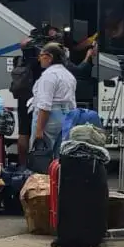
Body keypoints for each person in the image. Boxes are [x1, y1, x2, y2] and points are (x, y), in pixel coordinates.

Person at [11, 24, 59, 164]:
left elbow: (23, 43)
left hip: (23, 97)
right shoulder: (44, 54)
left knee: (23, 132)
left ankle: (23, 164)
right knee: (39, 132)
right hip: (38, 97)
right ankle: (40, 163)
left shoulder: (25, 53)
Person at [28, 42, 77, 174]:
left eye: (41, 55)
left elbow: (45, 105)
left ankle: (42, 188)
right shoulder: (68, 75)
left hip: (49, 118)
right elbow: (72, 103)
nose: (39, 59)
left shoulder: (49, 76)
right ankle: (57, 187)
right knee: (59, 157)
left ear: (49, 57)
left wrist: (39, 131)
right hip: (66, 116)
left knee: (42, 155)